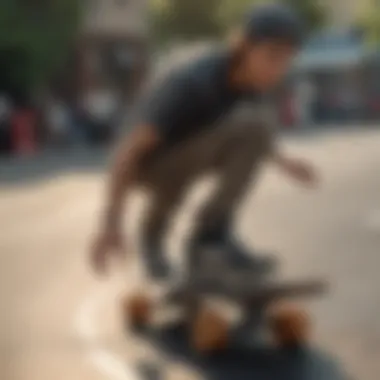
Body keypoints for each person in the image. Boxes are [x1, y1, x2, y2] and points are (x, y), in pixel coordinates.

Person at [91, 5, 318, 285]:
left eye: (286, 60)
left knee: (258, 123)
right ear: (244, 46)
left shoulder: (251, 85)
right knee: (250, 124)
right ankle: (189, 240)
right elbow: (128, 153)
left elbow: (251, 138)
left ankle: (199, 236)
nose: (277, 70)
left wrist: (283, 161)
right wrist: (111, 223)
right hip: (143, 164)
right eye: (271, 56)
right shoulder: (195, 83)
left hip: (183, 155)